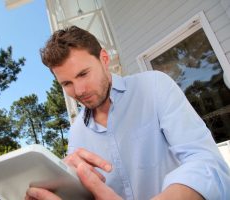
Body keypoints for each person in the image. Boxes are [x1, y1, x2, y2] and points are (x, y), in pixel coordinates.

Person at [25, 26, 230, 200]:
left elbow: (207, 164)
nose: (79, 91)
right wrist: (65, 183)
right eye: (67, 83)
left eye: (83, 74)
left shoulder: (154, 86)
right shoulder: (77, 133)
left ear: (104, 59)